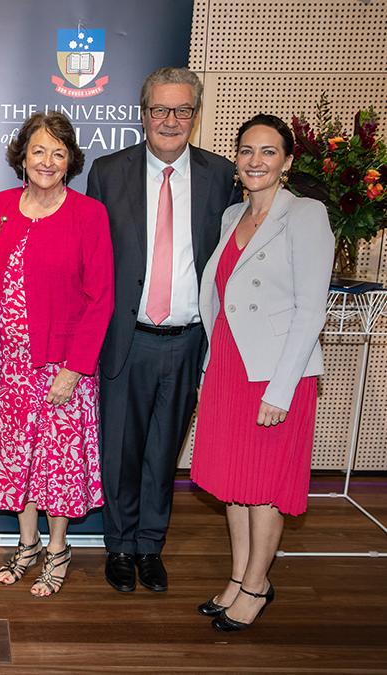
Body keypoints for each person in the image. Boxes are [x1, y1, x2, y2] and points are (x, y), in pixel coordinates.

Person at [86, 67, 240, 594]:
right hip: (125, 341)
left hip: (188, 341)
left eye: (182, 111)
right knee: (120, 452)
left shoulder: (222, 176)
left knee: (163, 453)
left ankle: (150, 547)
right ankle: (119, 547)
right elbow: (94, 264)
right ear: (142, 112)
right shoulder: (108, 173)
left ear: (196, 117)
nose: (170, 121)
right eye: (159, 110)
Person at [192, 114, 333, 631]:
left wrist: (282, 388)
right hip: (229, 366)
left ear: (287, 162)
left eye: (268, 152)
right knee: (232, 484)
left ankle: (257, 586)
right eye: (247, 151)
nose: (255, 161)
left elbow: (309, 309)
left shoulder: (305, 215)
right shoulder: (232, 217)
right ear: (236, 160)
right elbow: (221, 301)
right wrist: (210, 370)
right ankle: (237, 577)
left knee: (265, 486)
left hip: (275, 375)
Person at [0, 112, 114, 597]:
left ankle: (58, 549)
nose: (47, 161)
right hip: (10, 365)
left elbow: (101, 298)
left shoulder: (88, 214)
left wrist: (75, 369)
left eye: (58, 153)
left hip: (62, 368)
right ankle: (27, 543)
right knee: (18, 460)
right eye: (38, 150)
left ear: (71, 160)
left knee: (55, 464)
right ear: (22, 156)